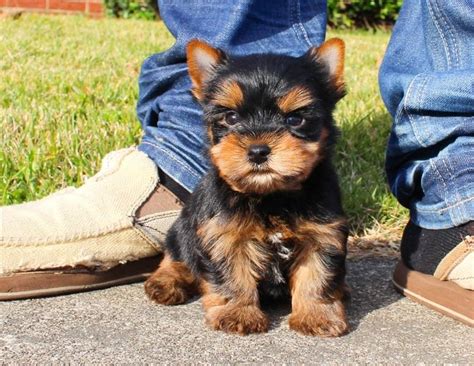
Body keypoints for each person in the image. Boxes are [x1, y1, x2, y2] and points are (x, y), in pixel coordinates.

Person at [1, 0, 472, 325]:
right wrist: (232, 303)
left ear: (328, 106)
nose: (258, 143)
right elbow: (216, 245)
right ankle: (173, 211)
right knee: (189, 235)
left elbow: (325, 250)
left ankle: (458, 178)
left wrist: (318, 301)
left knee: (318, 259)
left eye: (296, 119)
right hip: (212, 231)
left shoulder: (324, 197)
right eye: (228, 120)